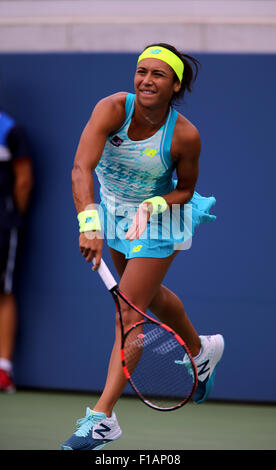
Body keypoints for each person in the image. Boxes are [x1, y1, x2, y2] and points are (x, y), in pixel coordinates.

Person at [61, 43, 224, 450]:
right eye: (141, 71)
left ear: (175, 85)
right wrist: (90, 222)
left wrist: (153, 205)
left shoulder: (185, 135)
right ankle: (200, 349)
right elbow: (81, 168)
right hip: (113, 214)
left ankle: (102, 419)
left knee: (128, 315)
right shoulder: (112, 109)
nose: (146, 80)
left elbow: (185, 189)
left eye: (158, 75)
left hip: (157, 219)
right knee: (149, 299)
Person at [0, 108, 33, 392]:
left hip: (3, 223)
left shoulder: (10, 130)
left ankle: (3, 369)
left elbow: (24, 180)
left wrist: (11, 216)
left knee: (4, 291)